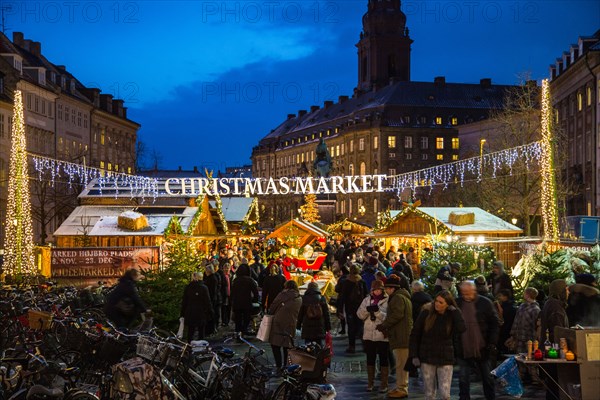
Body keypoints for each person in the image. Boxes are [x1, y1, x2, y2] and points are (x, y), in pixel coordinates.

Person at [409, 290, 466, 400]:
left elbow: (462, 329)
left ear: (448, 304)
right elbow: (415, 334)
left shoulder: (451, 315)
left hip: (445, 357)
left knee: (445, 394)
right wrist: (414, 355)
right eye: (436, 301)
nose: (437, 304)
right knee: (429, 394)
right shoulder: (426, 313)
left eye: (441, 302)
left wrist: (455, 312)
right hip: (427, 356)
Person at [456, 281, 500, 400]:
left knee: (487, 377)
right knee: (463, 377)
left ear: (474, 291)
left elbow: (495, 323)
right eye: (464, 293)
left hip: (482, 346)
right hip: (463, 346)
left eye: (468, 293)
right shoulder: (458, 303)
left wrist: (492, 342)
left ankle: (490, 397)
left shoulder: (485, 303)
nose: (466, 296)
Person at [376, 274, 412, 399]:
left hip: (401, 336)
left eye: (387, 288)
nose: (386, 291)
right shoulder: (402, 296)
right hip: (401, 334)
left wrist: (384, 325)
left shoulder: (397, 298)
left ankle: (402, 388)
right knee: (400, 363)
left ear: (392, 288)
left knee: (401, 364)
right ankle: (400, 386)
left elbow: (397, 315)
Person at [357, 279, 389, 393]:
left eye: (379, 290)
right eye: (375, 290)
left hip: (381, 335)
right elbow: (359, 314)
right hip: (369, 334)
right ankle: (370, 383)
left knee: (383, 359)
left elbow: (388, 317)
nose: (377, 292)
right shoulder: (367, 300)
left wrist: (377, 312)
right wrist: (367, 310)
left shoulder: (387, 300)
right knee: (370, 359)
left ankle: (384, 384)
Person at [539, 279, 569, 400]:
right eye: (566, 288)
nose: (568, 291)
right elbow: (558, 332)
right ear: (560, 291)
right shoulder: (555, 307)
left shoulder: (552, 304)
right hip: (554, 351)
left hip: (551, 350)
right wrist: (564, 348)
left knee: (553, 386)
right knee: (555, 386)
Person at [268, 280, 302, 369]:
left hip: (278, 322)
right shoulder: (299, 298)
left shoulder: (282, 295)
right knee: (287, 345)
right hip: (291, 323)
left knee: (275, 344)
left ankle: (278, 365)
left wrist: (270, 312)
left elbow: (273, 306)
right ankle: (286, 365)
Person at [338, 264, 368, 353]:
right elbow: (366, 295)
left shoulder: (346, 282)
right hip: (361, 307)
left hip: (350, 308)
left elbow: (342, 297)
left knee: (351, 327)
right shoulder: (362, 281)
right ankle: (365, 346)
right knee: (361, 326)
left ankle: (352, 346)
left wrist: (340, 310)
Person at [180, 272, 213, 341]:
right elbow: (207, 301)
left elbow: (184, 301)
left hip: (190, 311)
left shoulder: (188, 287)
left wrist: (182, 313)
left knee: (191, 331)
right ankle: (200, 347)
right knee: (201, 331)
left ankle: (189, 346)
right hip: (201, 312)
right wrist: (210, 312)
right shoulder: (204, 288)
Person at [230, 263, 259, 335]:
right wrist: (255, 300)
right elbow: (255, 292)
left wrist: (232, 302)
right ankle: (244, 330)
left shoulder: (236, 280)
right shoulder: (250, 280)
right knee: (246, 318)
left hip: (237, 302)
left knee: (238, 319)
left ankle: (238, 331)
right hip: (247, 302)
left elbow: (232, 292)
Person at [509, 287, 541, 353]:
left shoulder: (535, 309)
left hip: (529, 338)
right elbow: (516, 321)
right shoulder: (522, 306)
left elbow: (536, 325)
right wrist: (513, 334)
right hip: (518, 338)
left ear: (528, 294)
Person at [495, 289, 517, 354]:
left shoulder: (506, 307)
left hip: (506, 329)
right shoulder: (511, 306)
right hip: (507, 329)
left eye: (500, 296)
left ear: (505, 297)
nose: (499, 297)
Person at [204, 263, 222, 335]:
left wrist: (211, 299)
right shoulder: (212, 277)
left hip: (212, 299)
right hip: (213, 298)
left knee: (212, 315)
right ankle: (212, 329)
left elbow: (213, 290)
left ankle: (211, 329)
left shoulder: (212, 278)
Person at [221, 262, 233, 327]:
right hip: (224, 294)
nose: (227, 270)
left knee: (228, 308)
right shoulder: (222, 276)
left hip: (230, 294)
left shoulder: (231, 276)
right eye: (225, 269)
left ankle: (227, 321)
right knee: (224, 308)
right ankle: (224, 321)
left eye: (228, 269)